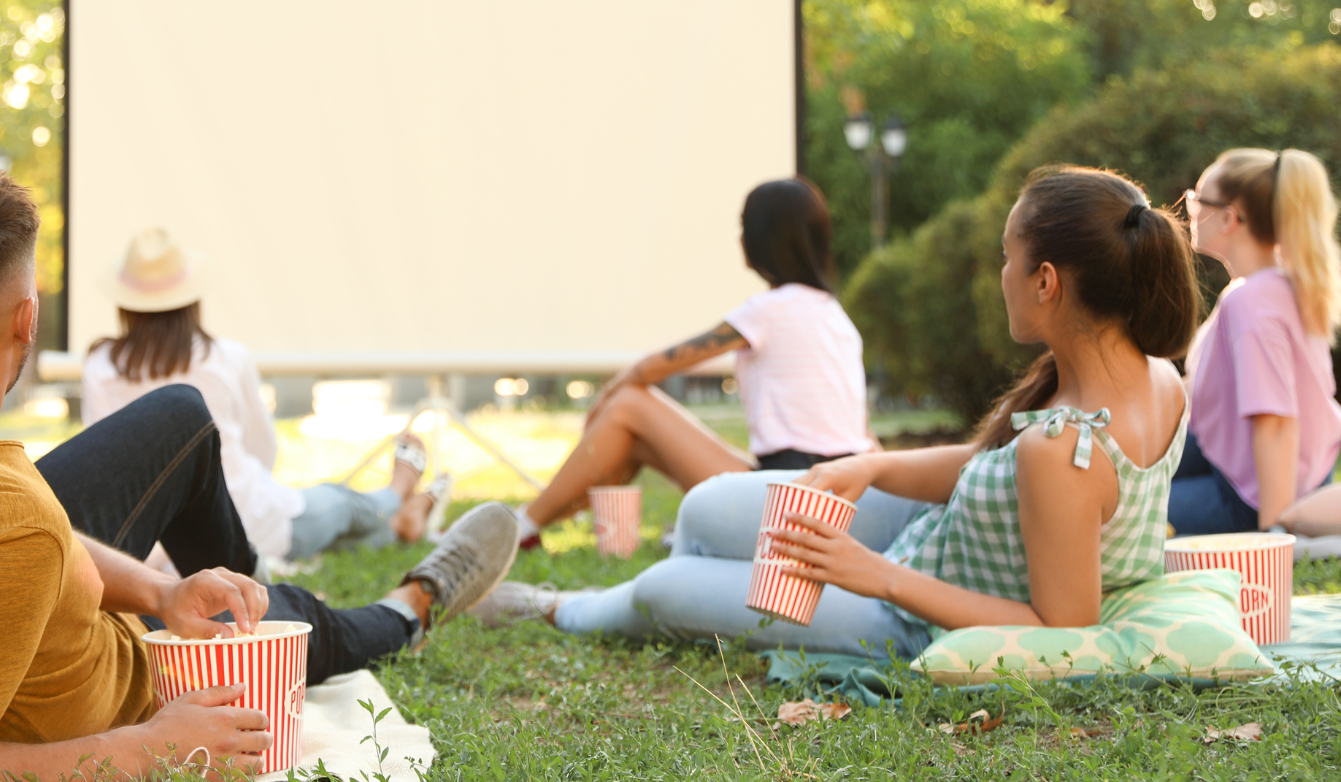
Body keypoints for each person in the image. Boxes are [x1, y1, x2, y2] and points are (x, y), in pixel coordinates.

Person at [0, 157, 519, 781]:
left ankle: (265, 595)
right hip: (124, 687)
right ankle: (409, 609)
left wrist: (163, 590)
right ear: (25, 321)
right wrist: (150, 747)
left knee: (180, 422)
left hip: (9, 598)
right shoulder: (4, 533)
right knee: (286, 624)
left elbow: (24, 535)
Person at [477, 166, 1197, 660]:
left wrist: (871, 573)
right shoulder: (1155, 377)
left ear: (1045, 282)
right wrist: (876, 463)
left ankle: (561, 605)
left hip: (909, 614)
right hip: (933, 535)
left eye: (1005, 256)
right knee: (704, 511)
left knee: (667, 585)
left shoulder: (1067, 449)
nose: (999, 271)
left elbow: (1062, 626)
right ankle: (687, 580)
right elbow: (995, 469)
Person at [512, 177, 874, 547]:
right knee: (635, 440)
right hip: (829, 499)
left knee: (627, 406)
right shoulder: (836, 317)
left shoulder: (768, 311)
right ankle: (534, 524)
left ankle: (520, 526)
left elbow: (650, 369)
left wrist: (601, 406)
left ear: (759, 240)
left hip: (783, 498)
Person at [82, 228, 445, 566]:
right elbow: (261, 448)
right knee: (343, 505)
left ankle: (402, 522)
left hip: (155, 551)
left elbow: (104, 463)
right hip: (254, 524)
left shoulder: (100, 366)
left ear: (125, 305)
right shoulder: (225, 358)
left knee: (342, 534)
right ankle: (398, 493)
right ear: (191, 301)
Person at [1168, 148, 1341, 535]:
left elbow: (1276, 419)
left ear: (1229, 218)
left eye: (1197, 199)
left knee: (1121, 516)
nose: (1190, 207)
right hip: (1263, 469)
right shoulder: (1274, 286)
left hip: (1256, 497)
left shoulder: (1253, 303)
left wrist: (1272, 533)